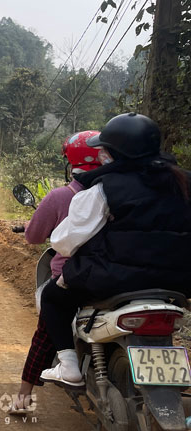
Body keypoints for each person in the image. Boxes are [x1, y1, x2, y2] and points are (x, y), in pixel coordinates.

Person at [39, 113, 191, 386]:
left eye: (105, 149)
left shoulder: (104, 188)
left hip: (114, 279)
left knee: (52, 297)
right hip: (179, 281)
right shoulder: (183, 181)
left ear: (115, 153)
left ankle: (69, 367)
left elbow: (64, 242)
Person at [10, 131, 102, 414]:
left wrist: (31, 226)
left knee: (45, 330)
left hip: (72, 278)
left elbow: (34, 236)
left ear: (71, 162)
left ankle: (23, 398)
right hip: (119, 276)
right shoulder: (118, 192)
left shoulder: (62, 196)